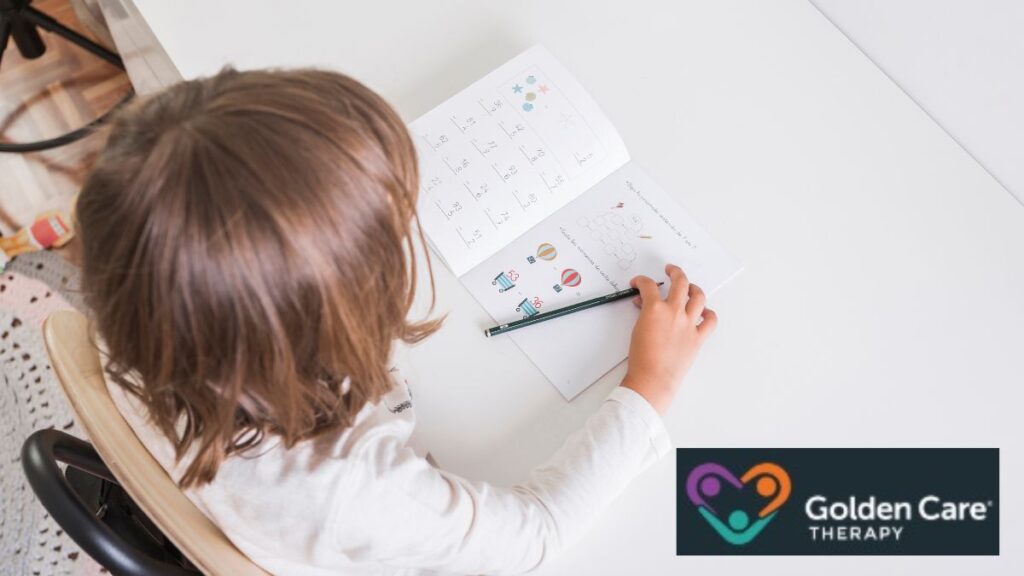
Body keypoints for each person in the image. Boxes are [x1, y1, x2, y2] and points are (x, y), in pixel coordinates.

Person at [74, 68, 717, 575]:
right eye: (379, 235)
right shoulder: (350, 488)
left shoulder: (143, 297)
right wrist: (650, 386)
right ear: (329, 314)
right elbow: (537, 535)